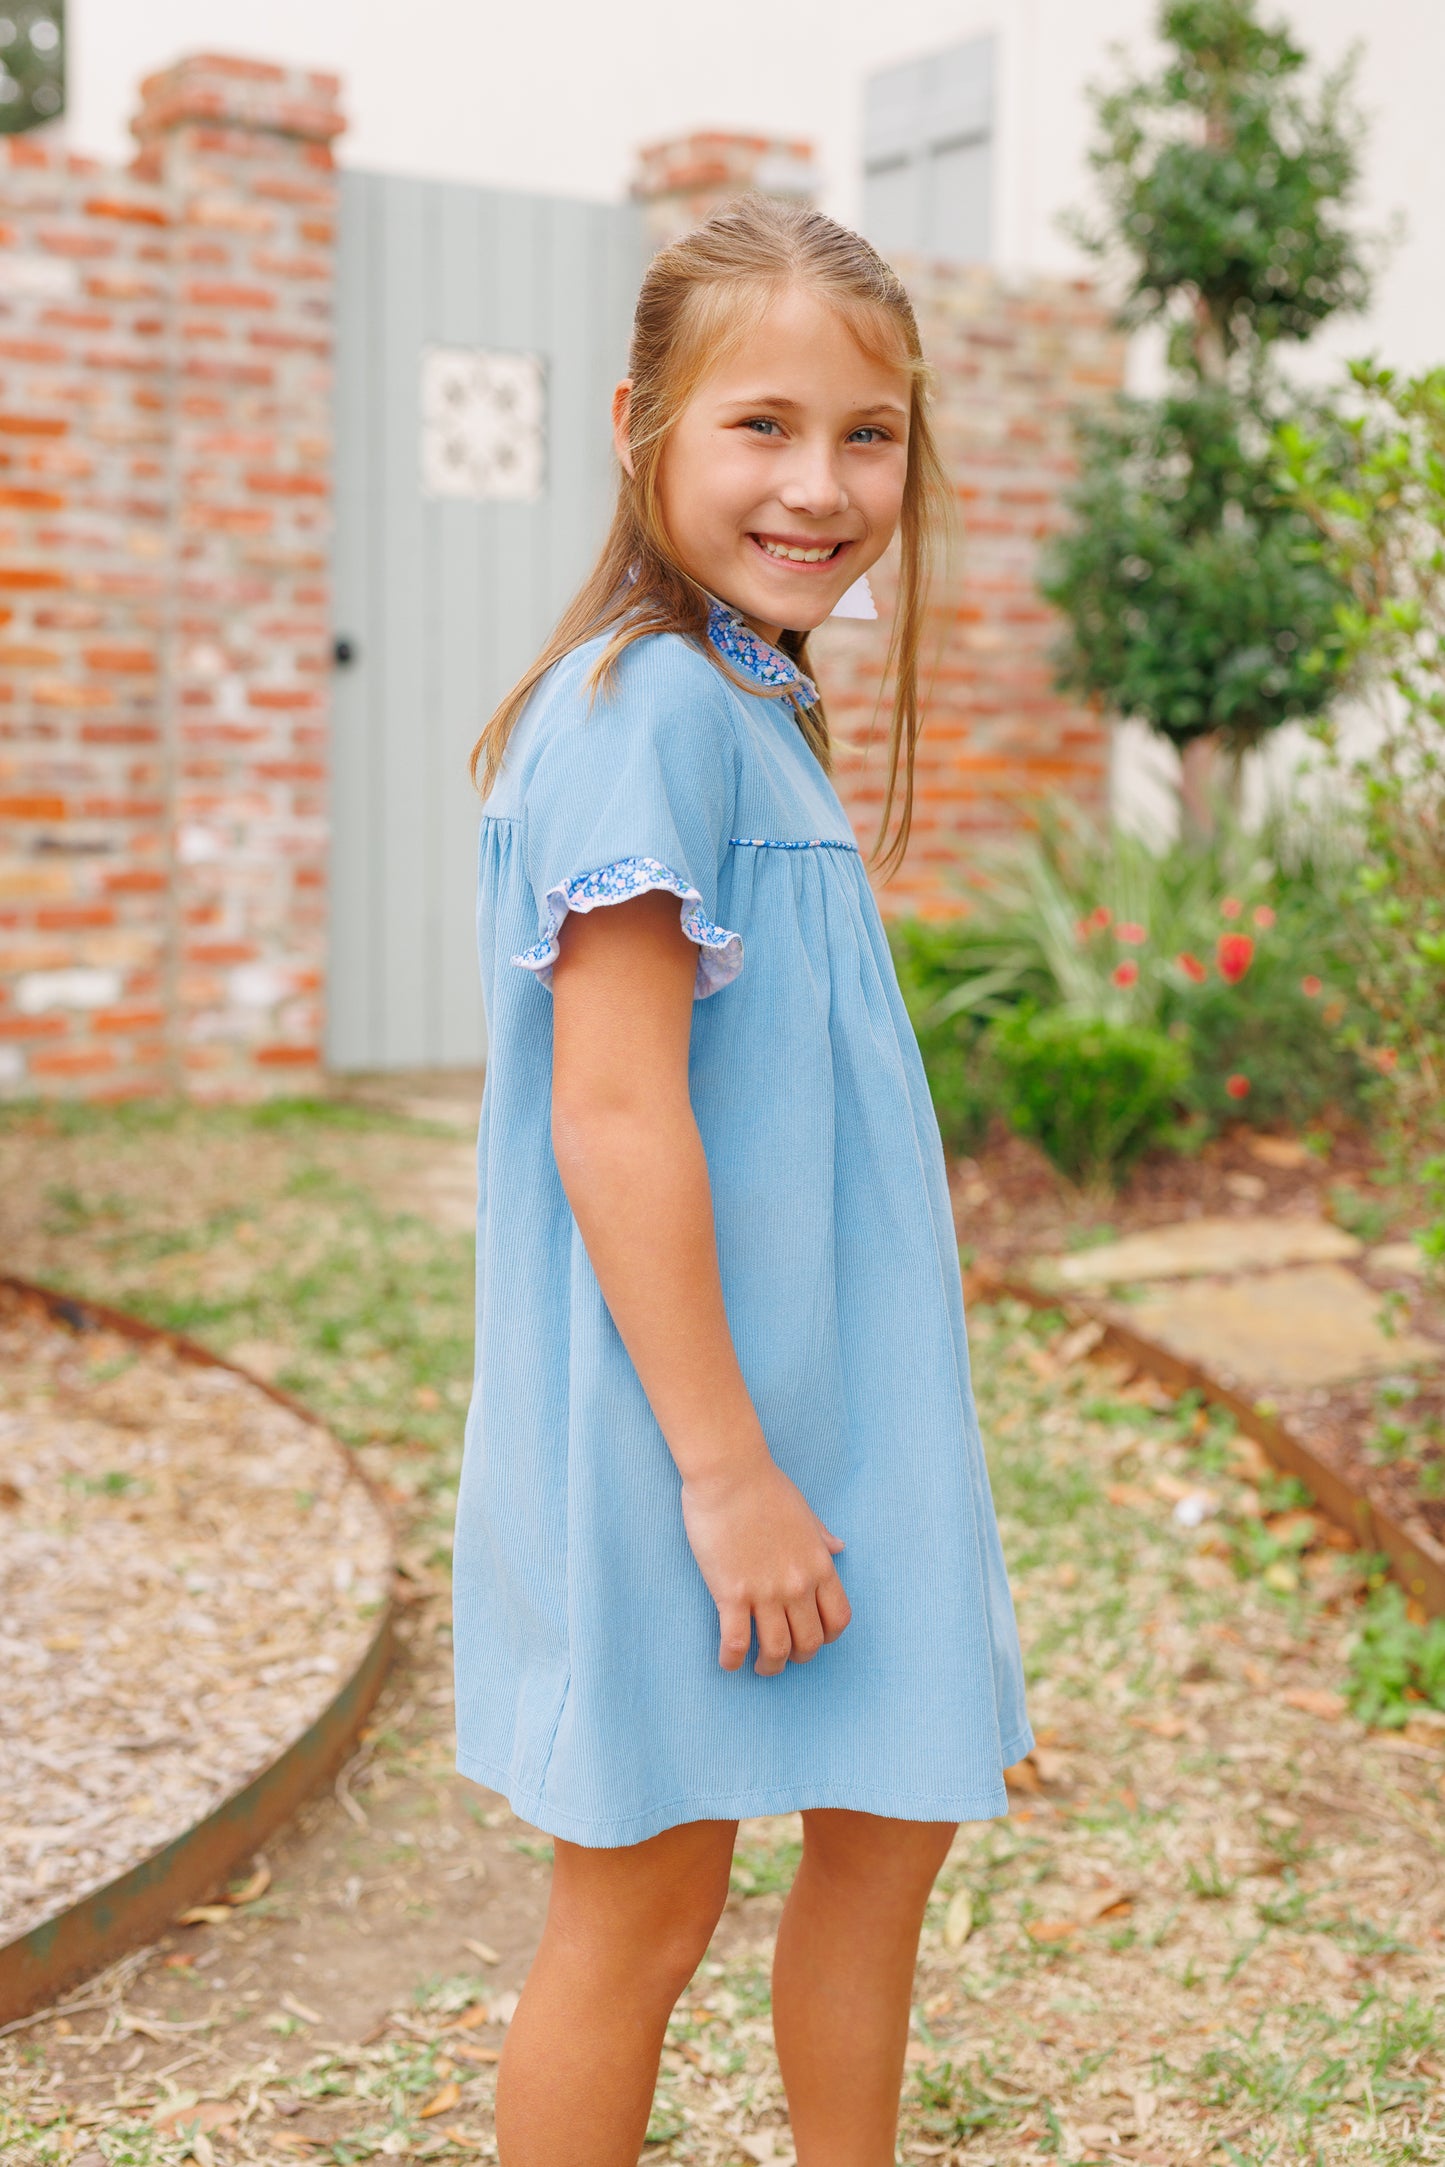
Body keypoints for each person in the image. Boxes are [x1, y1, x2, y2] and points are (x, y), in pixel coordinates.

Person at [454, 195, 1031, 2167]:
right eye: (761, 426)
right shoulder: (644, 712)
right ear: (642, 428)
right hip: (694, 1430)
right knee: (642, 1904)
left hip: (842, 1407)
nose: (821, 483)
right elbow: (612, 1116)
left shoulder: (747, 698)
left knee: (886, 1842)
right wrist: (727, 1471)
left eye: (867, 434)